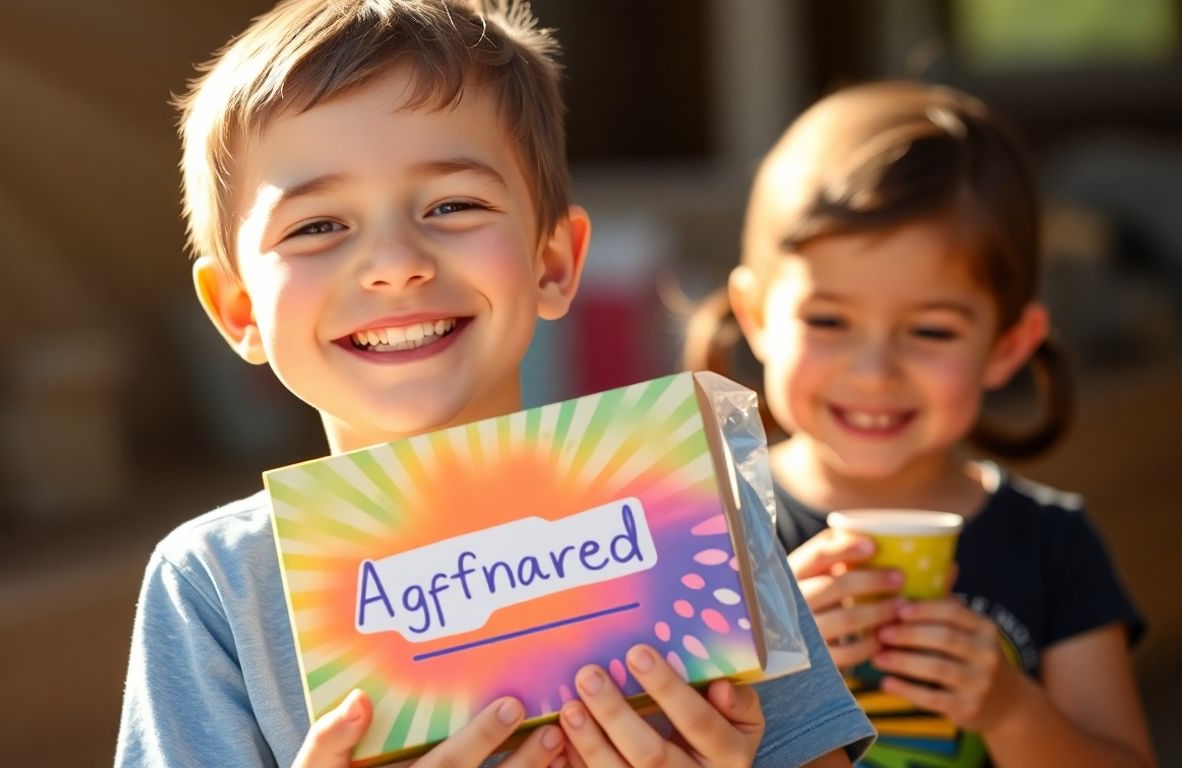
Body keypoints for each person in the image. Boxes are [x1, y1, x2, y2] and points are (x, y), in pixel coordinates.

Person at [115, 2, 875, 767]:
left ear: (553, 263)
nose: (395, 262)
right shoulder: (216, 591)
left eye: (452, 205)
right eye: (317, 226)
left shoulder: (688, 513)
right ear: (238, 309)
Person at [684, 81, 1156, 768]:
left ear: (1007, 346)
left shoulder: (1053, 547)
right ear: (756, 317)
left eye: (930, 330)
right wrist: (781, 666)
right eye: (828, 321)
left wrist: (1010, 708)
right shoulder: (712, 535)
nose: (875, 371)